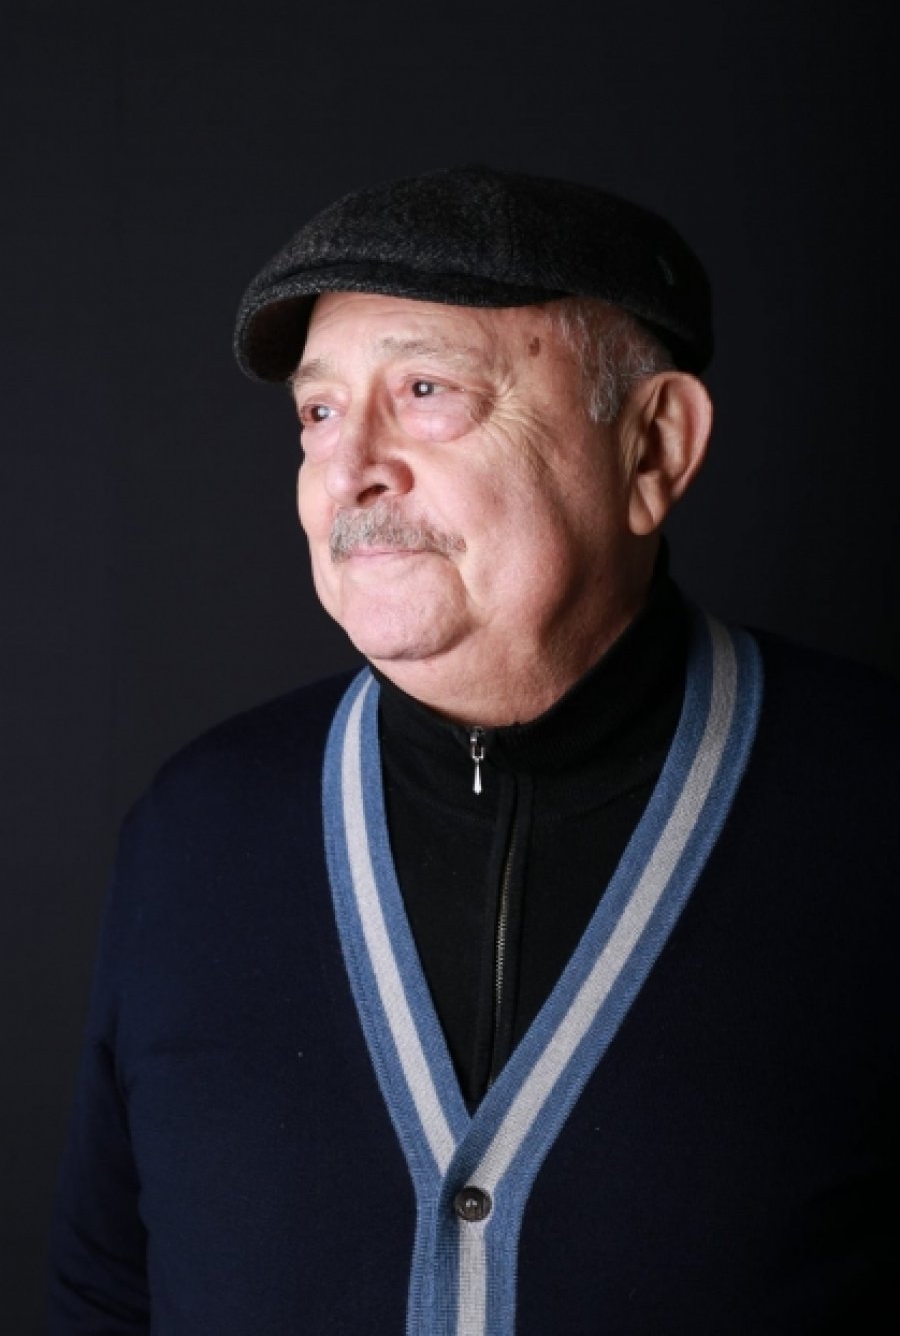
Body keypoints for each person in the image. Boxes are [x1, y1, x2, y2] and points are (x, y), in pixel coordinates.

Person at [50, 167, 899, 1335]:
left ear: (653, 447)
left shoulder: (871, 810)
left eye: (426, 390)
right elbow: (105, 1293)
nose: (348, 469)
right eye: (319, 412)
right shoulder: (196, 830)